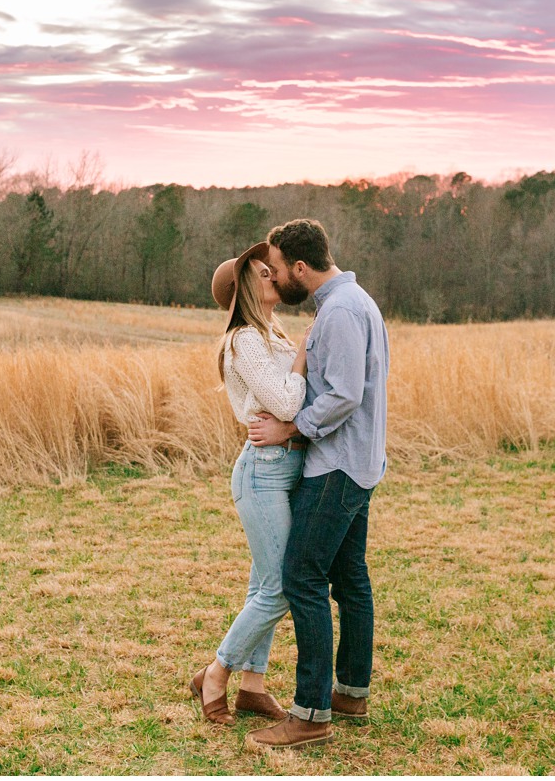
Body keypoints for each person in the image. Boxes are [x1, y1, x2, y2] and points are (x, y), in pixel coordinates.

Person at [244, 217, 390, 749]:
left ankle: (310, 714)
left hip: (337, 465)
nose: (277, 278)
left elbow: (346, 394)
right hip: (359, 462)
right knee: (349, 577)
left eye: (279, 269)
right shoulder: (354, 303)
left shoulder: (342, 312)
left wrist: (290, 428)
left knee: (302, 575)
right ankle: (350, 692)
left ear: (300, 268)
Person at [188, 242, 310, 727]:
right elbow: (285, 404)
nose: (273, 274)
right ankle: (215, 673)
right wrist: (303, 357)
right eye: (263, 272)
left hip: (283, 466)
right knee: (280, 587)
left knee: (264, 582)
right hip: (262, 469)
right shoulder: (244, 340)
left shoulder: (271, 334)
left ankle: (253, 687)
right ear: (245, 287)